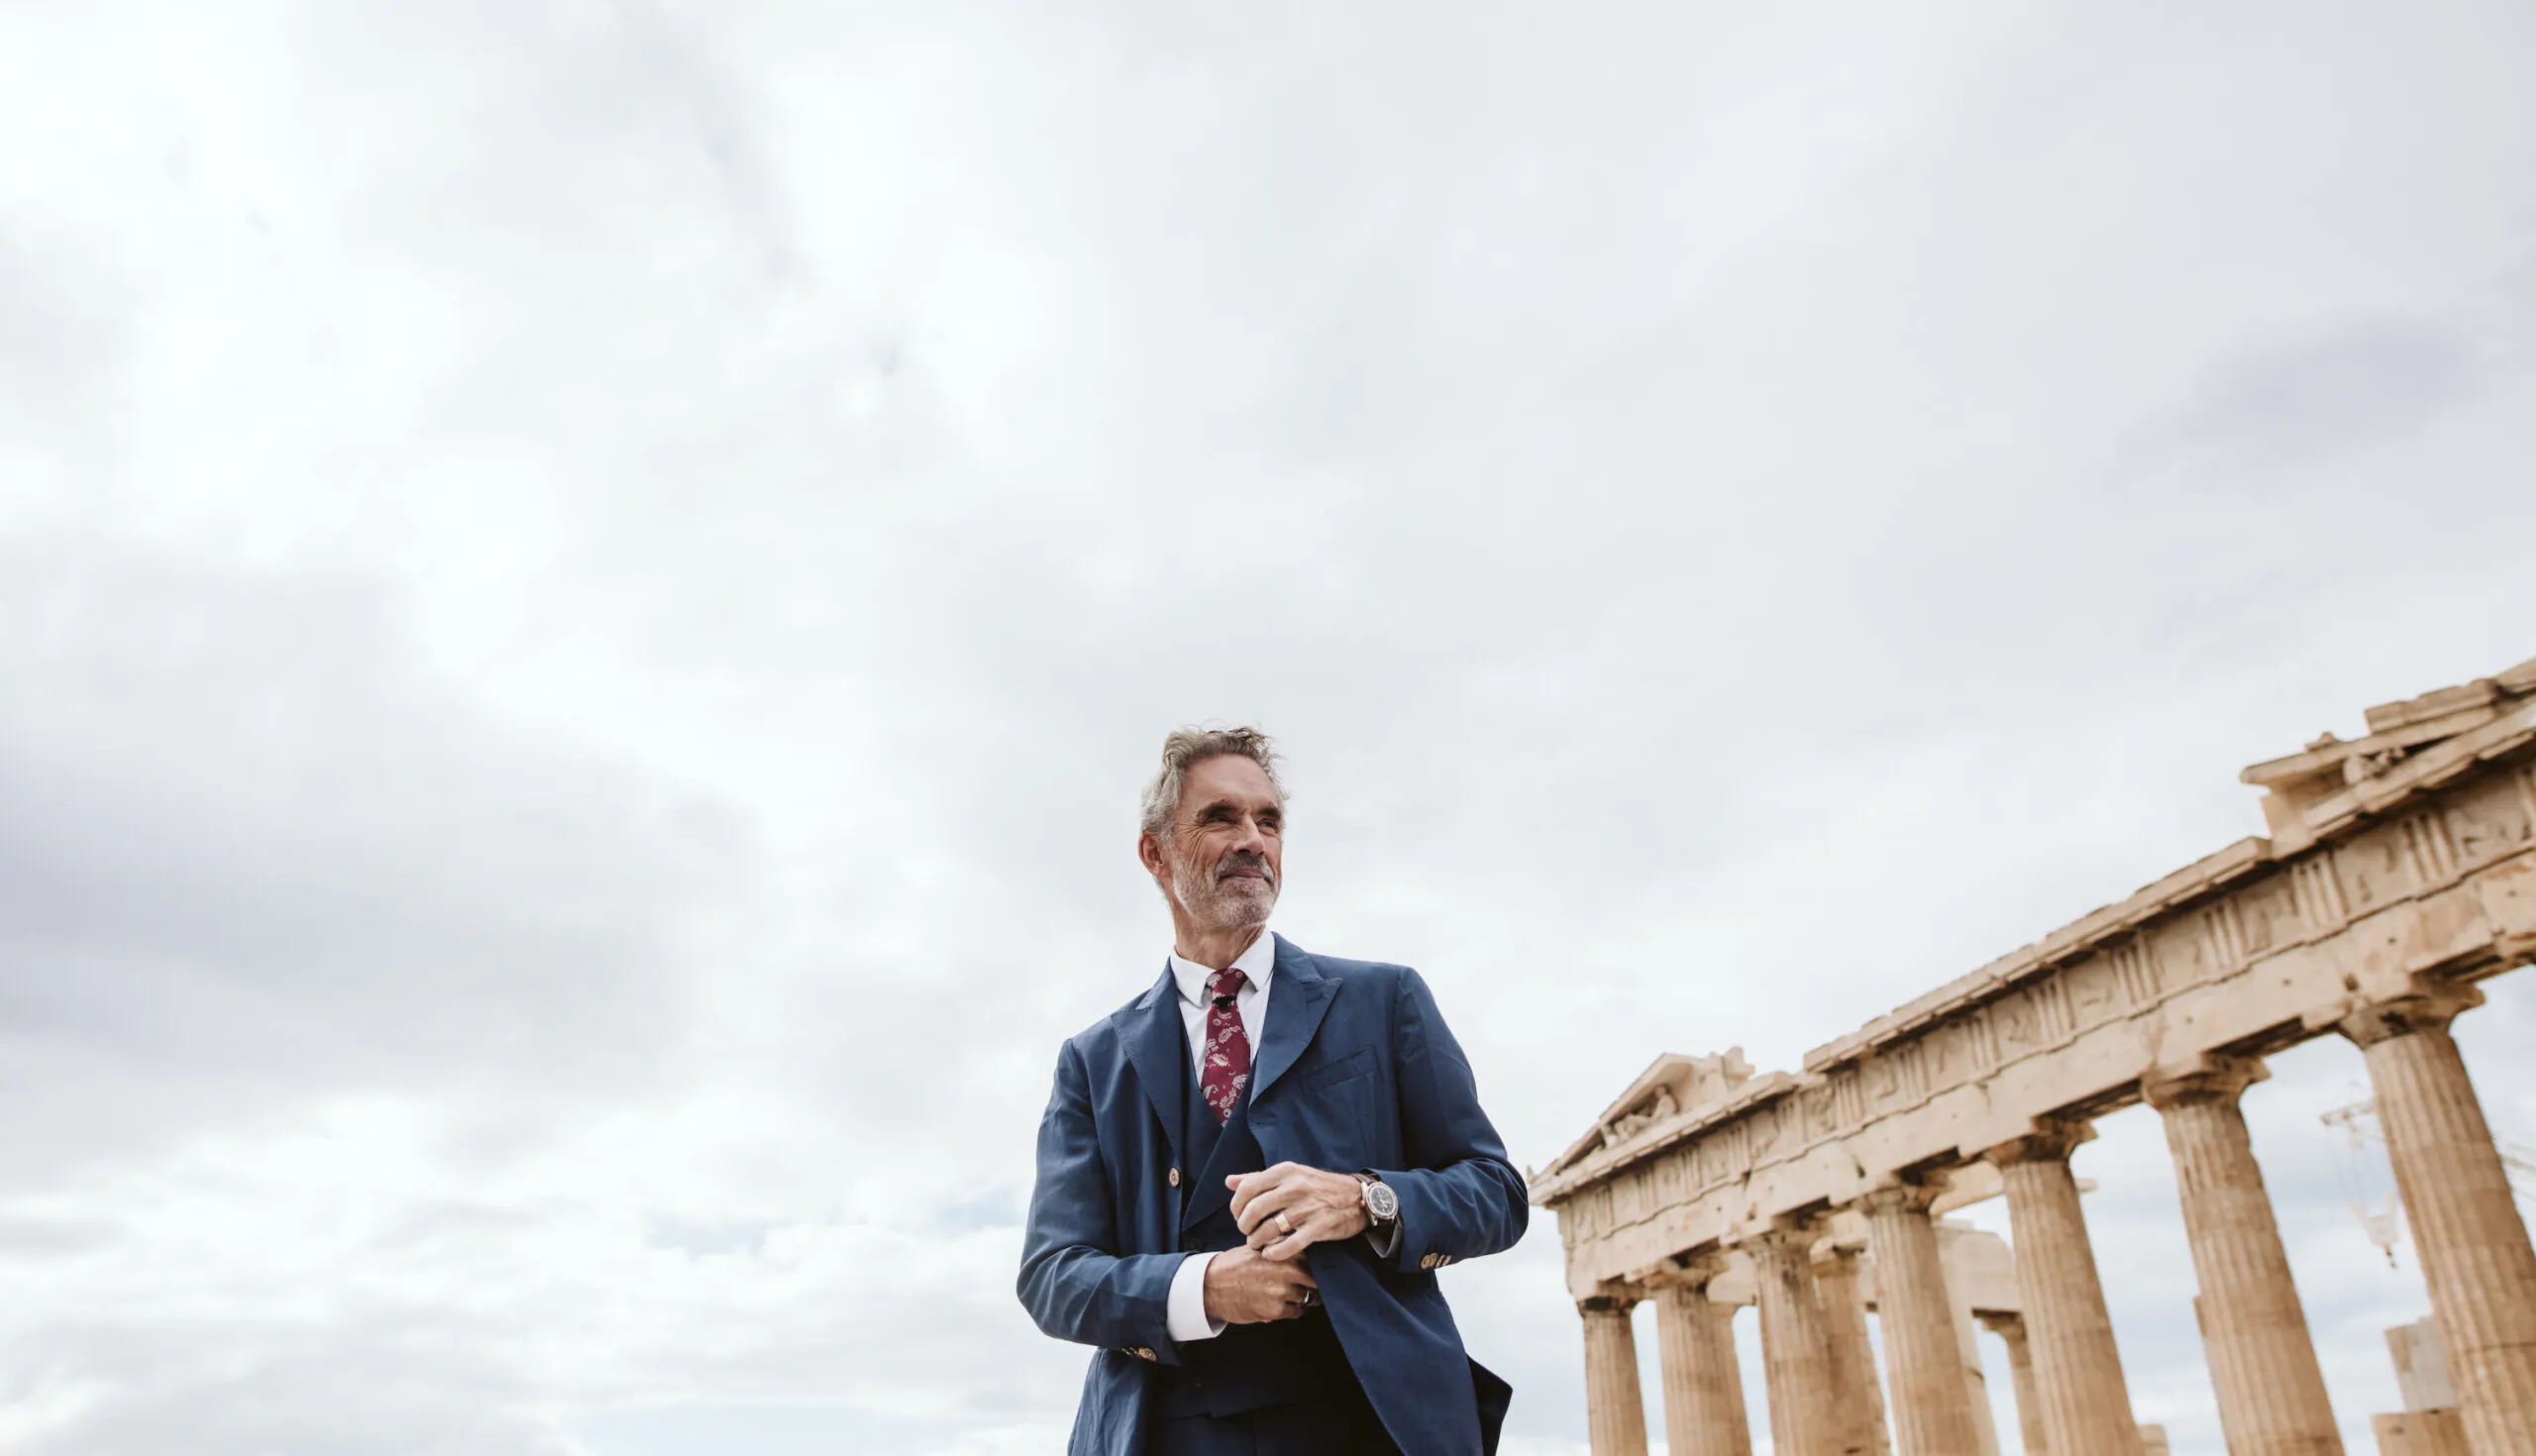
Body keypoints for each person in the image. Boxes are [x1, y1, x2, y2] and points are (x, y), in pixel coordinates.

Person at [1018, 726, 1528, 1456]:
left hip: (1367, 1421)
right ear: (1155, 854)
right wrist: (1204, 1287)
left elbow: (1496, 1194)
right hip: (1168, 1431)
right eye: (1221, 818)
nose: (1253, 841)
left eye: (1269, 821)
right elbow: (1052, 1275)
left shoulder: (1384, 1000)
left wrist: (1366, 1200)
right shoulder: (1092, 1061)